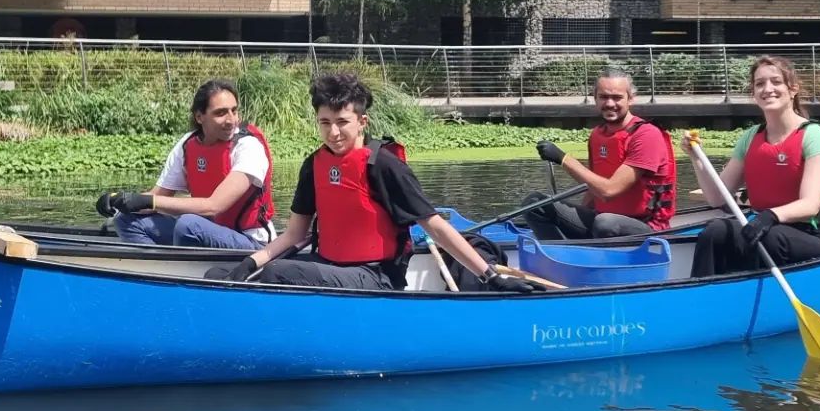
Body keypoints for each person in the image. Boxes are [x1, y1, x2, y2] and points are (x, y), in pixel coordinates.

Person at [210, 71, 528, 292]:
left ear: (362, 121)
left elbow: (436, 227)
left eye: (342, 123)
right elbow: (294, 234)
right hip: (328, 266)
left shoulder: (384, 166)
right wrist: (251, 261)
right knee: (219, 273)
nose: (333, 133)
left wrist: (490, 276)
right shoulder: (314, 165)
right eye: (324, 123)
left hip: (374, 277)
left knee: (279, 273)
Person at [686, 55, 820, 279]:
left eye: (776, 82)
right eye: (760, 84)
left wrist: (770, 216)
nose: (768, 89)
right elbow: (717, 198)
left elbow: (811, 204)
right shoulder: (751, 137)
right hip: (762, 226)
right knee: (715, 231)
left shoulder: (814, 135)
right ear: (754, 93)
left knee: (768, 236)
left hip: (810, 234)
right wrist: (696, 158)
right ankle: (701, 292)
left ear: (793, 89)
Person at [95, 79, 274, 251]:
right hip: (205, 230)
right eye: (220, 113)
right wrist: (118, 201)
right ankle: (158, 270)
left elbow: (214, 206)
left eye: (234, 111)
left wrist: (150, 201)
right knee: (125, 219)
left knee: (188, 224)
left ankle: (181, 273)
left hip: (250, 241)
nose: (231, 120)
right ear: (199, 117)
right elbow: (156, 196)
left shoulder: (248, 146)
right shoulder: (187, 145)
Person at [528, 69, 677, 239]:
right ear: (595, 98)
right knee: (535, 204)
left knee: (605, 222)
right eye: (604, 97)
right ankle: (558, 255)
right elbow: (593, 188)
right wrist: (576, 219)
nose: (610, 103)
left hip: (646, 226)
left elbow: (609, 190)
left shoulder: (646, 135)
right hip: (603, 220)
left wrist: (563, 159)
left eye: (617, 97)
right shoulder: (598, 135)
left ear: (630, 99)